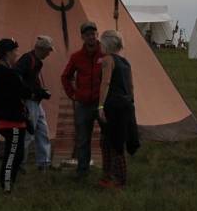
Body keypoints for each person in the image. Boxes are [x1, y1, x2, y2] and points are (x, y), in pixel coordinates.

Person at [60, 21, 104, 178]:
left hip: (101, 104)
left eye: (93, 34)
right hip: (83, 104)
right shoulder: (77, 57)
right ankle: (82, 171)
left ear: (97, 35)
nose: (91, 37)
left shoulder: (105, 54)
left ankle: (108, 169)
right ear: (82, 37)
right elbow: (65, 76)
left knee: (106, 137)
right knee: (83, 139)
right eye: (87, 35)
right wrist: (72, 94)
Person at [97, 30, 138, 189]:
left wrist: (100, 105)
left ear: (107, 43)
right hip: (125, 105)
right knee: (107, 142)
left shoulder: (108, 60)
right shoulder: (125, 62)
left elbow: (105, 83)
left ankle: (118, 180)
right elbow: (131, 86)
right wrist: (131, 103)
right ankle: (108, 176)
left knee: (113, 143)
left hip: (113, 106)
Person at [0, 38, 32, 193]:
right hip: (10, 120)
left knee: (17, 154)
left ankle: (8, 184)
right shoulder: (6, 73)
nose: (17, 54)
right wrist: (34, 92)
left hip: (14, 118)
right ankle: (6, 187)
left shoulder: (3, 71)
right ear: (8, 53)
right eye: (15, 51)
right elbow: (21, 91)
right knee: (12, 155)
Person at [16, 35, 54, 171]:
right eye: (48, 50)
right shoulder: (28, 59)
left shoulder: (35, 60)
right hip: (29, 101)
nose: (49, 53)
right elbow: (18, 78)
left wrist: (40, 91)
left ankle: (44, 163)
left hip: (36, 101)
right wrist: (32, 92)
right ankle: (20, 164)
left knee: (43, 131)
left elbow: (29, 80)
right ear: (41, 49)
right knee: (28, 134)